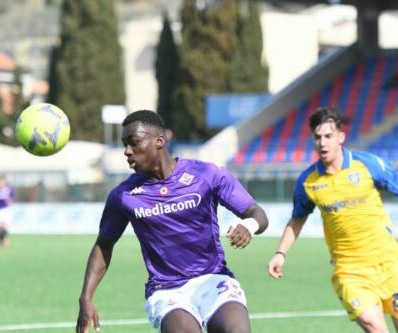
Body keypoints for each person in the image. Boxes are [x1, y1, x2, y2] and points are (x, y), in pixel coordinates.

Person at [76, 110, 269, 333]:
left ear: (159, 141)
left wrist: (249, 226)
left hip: (213, 280)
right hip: (167, 291)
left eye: (134, 143)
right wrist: (85, 298)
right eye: (124, 145)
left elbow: (256, 213)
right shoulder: (123, 195)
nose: (127, 152)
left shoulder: (207, 174)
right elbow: (104, 244)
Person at [267, 106, 398, 333]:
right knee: (374, 325)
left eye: (328, 136)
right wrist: (280, 253)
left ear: (341, 137)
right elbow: (297, 220)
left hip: (391, 265)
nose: (323, 143)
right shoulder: (307, 181)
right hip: (350, 272)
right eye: (317, 137)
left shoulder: (369, 165)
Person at [0, 175, 15, 249]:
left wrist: (8, 200)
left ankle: (5, 240)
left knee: (5, 226)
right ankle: (1, 242)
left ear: (5, 182)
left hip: (6, 210)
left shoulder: (8, 189)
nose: (1, 183)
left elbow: (11, 200)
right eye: (0, 182)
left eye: (2, 182)